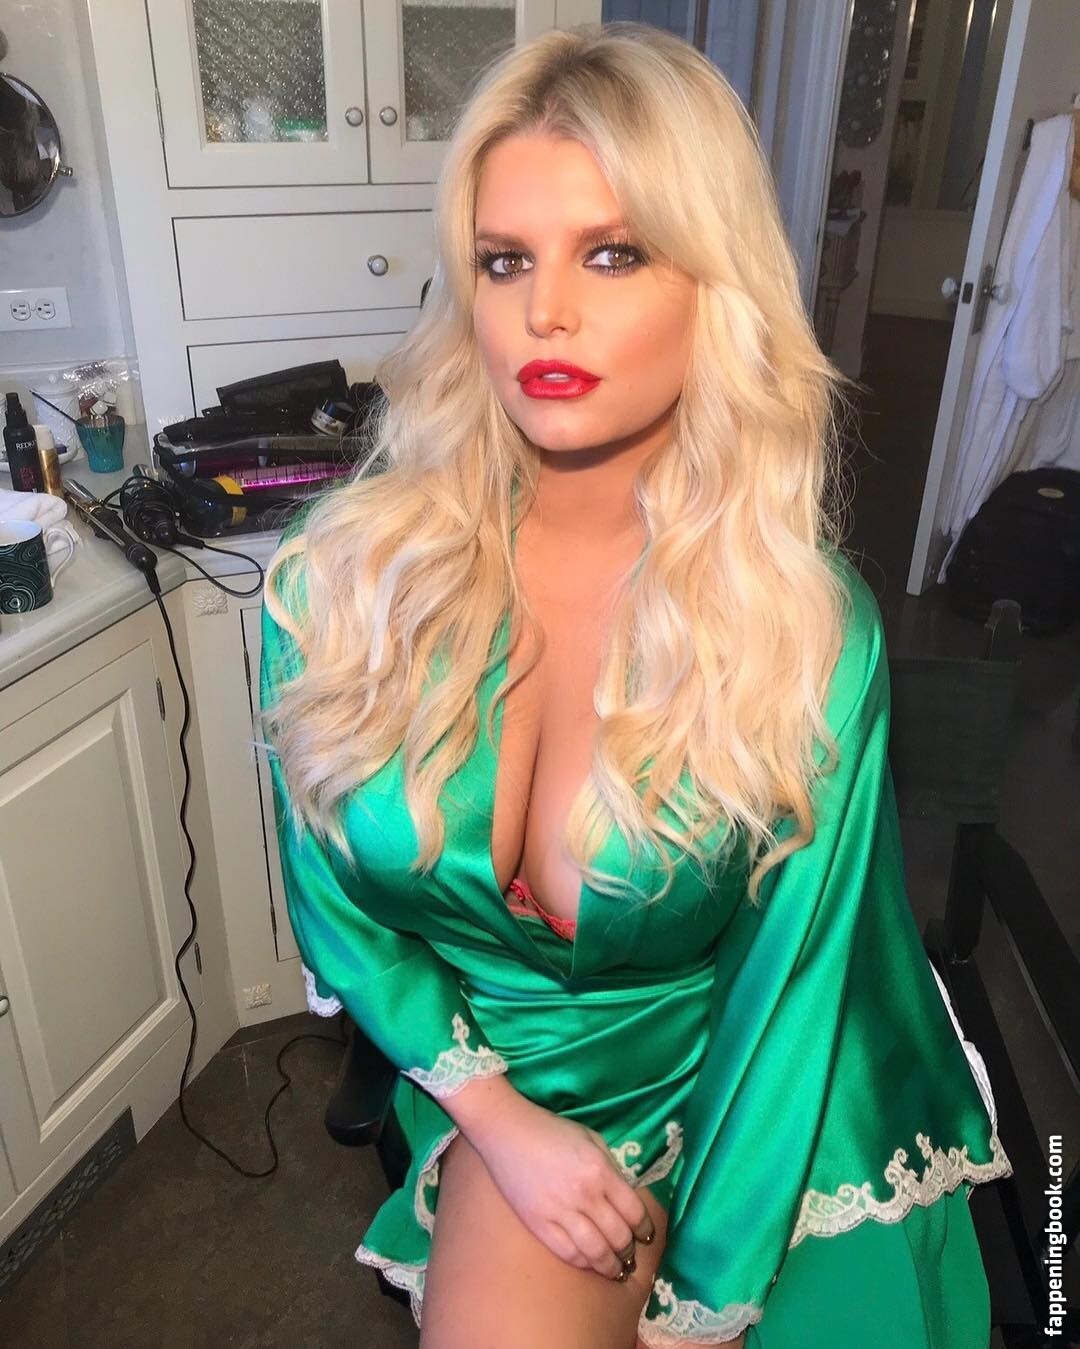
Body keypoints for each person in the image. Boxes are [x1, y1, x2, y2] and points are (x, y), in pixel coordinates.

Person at [257, 23, 1012, 1348]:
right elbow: (333, 901)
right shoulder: (344, 586)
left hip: (761, 1095)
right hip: (504, 1085)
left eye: (611, 253)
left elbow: (792, 985)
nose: (544, 311)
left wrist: (701, 1305)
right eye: (505, 260)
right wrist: (493, 1114)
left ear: (713, 287)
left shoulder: (801, 628)